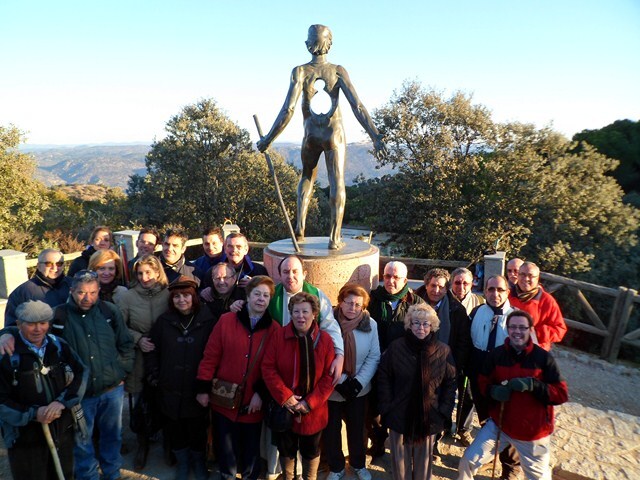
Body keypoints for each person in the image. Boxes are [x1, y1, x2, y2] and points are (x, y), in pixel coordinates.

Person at [256, 24, 386, 250]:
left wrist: (268, 138)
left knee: (306, 176)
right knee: (337, 182)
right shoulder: (338, 71)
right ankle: (334, 238)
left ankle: (300, 227)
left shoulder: (300, 71)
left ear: (308, 45)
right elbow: (357, 105)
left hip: (310, 134)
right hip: (334, 132)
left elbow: (288, 110)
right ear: (330, 44)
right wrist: (374, 135)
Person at [0, 270, 135, 480]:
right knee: (82, 440)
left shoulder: (110, 311)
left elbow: (125, 343)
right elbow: (30, 326)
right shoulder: (58, 314)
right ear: (71, 291)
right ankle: (88, 477)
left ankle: (112, 474)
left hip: (111, 389)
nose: (87, 297)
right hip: (80, 394)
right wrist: (4, 334)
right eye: (81, 292)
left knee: (112, 436)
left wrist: (121, 371)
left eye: (92, 292)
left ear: (99, 291)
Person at [457, 310, 569, 480]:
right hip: (500, 425)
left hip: (533, 433)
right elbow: (482, 383)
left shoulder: (543, 359)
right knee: (467, 461)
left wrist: (533, 385)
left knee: (539, 477)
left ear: (530, 329)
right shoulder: (497, 354)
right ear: (507, 329)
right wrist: (492, 391)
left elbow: (560, 395)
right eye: (513, 327)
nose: (517, 331)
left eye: (522, 327)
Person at [196, 276, 279, 480]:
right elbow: (210, 355)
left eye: (266, 295)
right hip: (223, 398)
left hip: (253, 401)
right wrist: (202, 388)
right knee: (226, 447)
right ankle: (227, 476)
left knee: (251, 449)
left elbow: (275, 367)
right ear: (248, 296)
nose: (261, 299)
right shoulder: (226, 321)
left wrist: (261, 393)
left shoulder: (274, 329)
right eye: (257, 294)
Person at [0, 301, 87, 480]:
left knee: (63, 474)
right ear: (18, 324)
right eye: (31, 324)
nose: (38, 329)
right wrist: (33, 413)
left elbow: (81, 372)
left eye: (43, 323)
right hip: (25, 437)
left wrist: (62, 402)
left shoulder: (58, 345)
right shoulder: (6, 354)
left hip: (61, 429)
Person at [145, 276, 215, 480]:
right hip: (170, 387)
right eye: (177, 297)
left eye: (186, 295)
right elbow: (151, 350)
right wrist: (154, 376)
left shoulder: (208, 321)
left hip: (197, 388)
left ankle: (199, 463)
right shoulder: (164, 322)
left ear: (194, 298)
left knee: (197, 429)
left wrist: (207, 386)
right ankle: (183, 464)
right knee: (175, 429)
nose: (182, 300)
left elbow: (215, 354)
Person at [377, 304, 457, 480]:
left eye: (426, 324)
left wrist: (443, 410)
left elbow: (451, 383)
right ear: (409, 324)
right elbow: (383, 377)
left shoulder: (443, 351)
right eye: (416, 323)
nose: (421, 327)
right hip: (399, 413)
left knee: (424, 465)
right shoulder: (396, 347)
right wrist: (387, 407)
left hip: (429, 415)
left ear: (433, 326)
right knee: (400, 464)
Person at [262, 292, 335, 480]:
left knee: (311, 451)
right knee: (286, 450)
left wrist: (310, 402)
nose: (300, 316)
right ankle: (288, 477)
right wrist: (286, 397)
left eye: (305, 311)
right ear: (291, 313)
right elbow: (268, 368)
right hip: (285, 407)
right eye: (296, 311)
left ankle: (309, 478)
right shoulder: (279, 336)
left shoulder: (325, 340)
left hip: (314, 410)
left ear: (314, 314)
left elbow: (329, 377)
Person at [116, 254, 170, 470]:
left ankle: (167, 444)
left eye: (148, 272)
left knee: (165, 401)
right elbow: (120, 326)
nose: (144, 277)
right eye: (140, 273)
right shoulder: (128, 297)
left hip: (164, 355)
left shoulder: (168, 295)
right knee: (140, 403)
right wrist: (138, 339)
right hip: (139, 357)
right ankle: (143, 444)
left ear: (157, 272)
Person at [366, 260, 424, 457]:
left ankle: (400, 452)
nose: (391, 281)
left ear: (405, 280)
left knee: (399, 408)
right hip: (376, 363)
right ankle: (378, 441)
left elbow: (425, 333)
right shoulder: (373, 299)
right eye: (387, 276)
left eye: (396, 277)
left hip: (402, 366)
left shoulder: (415, 303)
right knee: (374, 408)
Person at [324, 284, 380, 480]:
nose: (352, 308)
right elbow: (324, 355)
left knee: (357, 429)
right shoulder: (328, 322)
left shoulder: (370, 324)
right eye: (348, 303)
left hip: (359, 389)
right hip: (332, 387)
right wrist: (340, 381)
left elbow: (374, 356)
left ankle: (358, 464)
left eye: (358, 304)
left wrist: (357, 383)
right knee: (332, 430)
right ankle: (336, 467)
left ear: (363, 307)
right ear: (340, 301)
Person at [465, 275, 519, 478]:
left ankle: (510, 468)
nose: (495, 294)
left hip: (502, 375)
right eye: (490, 289)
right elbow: (469, 342)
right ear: (485, 291)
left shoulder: (516, 317)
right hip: (479, 372)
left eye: (500, 290)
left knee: (506, 421)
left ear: (507, 292)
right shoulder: (477, 311)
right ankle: (487, 455)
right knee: (486, 418)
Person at [415, 268, 472, 459]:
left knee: (440, 407)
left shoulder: (456, 310)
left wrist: (454, 366)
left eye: (441, 286)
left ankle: (433, 443)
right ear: (426, 284)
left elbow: (463, 342)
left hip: (444, 367)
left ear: (447, 288)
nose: (436, 290)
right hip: (416, 366)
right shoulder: (413, 303)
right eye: (433, 285)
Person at [5, 248, 71, 326]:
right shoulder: (22, 292)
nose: (54, 268)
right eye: (49, 264)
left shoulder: (73, 286)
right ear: (39, 266)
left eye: (59, 264)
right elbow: (11, 325)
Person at [509, 261, 567, 351]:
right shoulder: (507, 295)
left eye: (530, 276)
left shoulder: (547, 301)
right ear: (518, 275)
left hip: (534, 352)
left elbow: (559, 329)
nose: (526, 279)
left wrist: (534, 333)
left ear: (537, 278)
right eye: (522, 274)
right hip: (508, 347)